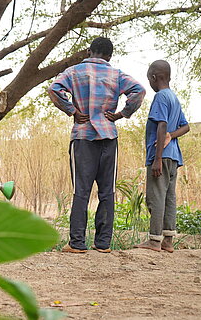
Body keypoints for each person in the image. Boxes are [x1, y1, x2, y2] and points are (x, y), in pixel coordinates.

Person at [48, 37, 146, 253]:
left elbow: (54, 89)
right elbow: (139, 91)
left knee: (81, 191)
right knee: (107, 191)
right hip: (109, 137)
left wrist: (72, 111)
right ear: (109, 56)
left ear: (90, 51)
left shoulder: (74, 72)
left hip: (83, 137)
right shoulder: (116, 74)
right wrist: (122, 114)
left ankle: (77, 243)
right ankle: (102, 244)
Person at [134, 60, 190, 253]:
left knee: (155, 197)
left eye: (149, 78)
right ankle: (168, 240)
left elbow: (162, 125)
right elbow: (186, 126)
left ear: (154, 77)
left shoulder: (160, 97)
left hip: (161, 156)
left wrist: (157, 158)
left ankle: (154, 241)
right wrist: (171, 137)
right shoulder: (173, 97)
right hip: (174, 157)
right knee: (169, 198)